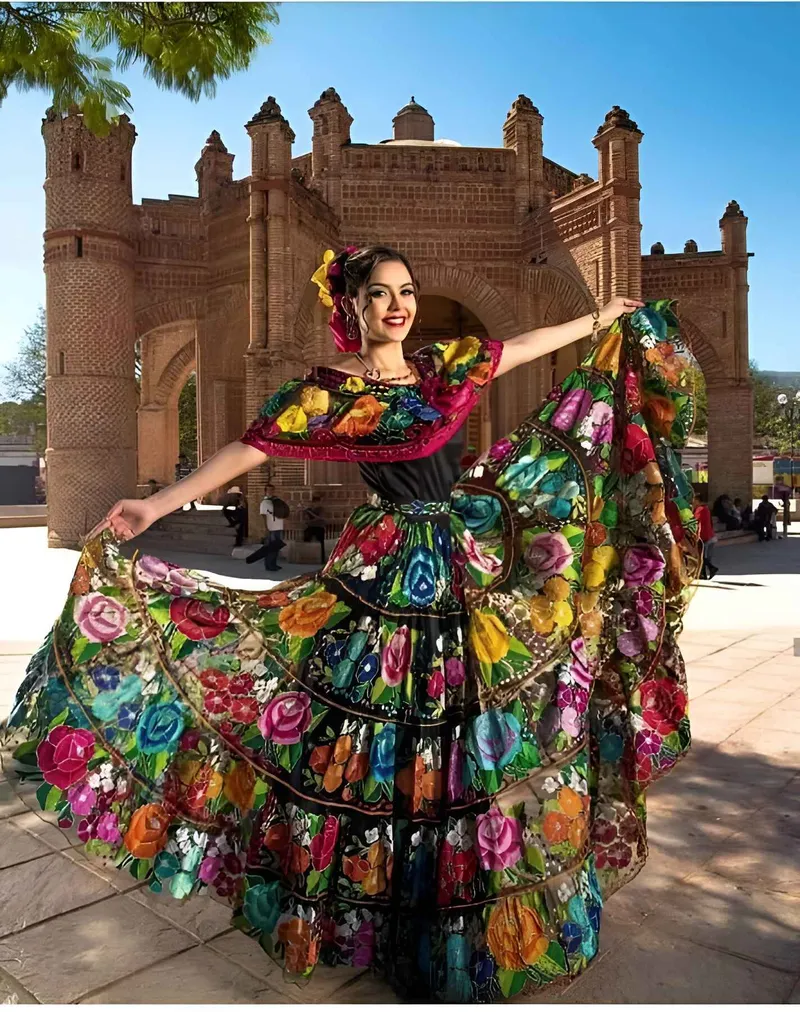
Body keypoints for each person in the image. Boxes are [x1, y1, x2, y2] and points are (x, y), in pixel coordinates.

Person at [4, 247, 700, 1003]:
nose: (397, 306)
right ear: (355, 306)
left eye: (406, 292)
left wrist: (603, 318)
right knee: (367, 729)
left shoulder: (442, 370)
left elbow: (527, 345)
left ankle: (450, 911)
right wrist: (156, 506)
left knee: (461, 733)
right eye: (380, 294)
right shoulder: (332, 391)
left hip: (460, 567)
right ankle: (373, 906)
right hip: (384, 572)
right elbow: (250, 448)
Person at [245, 484, 286, 572]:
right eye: (268, 490)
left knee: (276, 547)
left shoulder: (276, 500)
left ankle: (274, 564)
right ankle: (269, 565)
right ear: (265, 491)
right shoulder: (265, 502)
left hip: (278, 526)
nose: (270, 491)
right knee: (270, 547)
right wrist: (266, 527)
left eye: (272, 490)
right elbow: (263, 515)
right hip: (271, 527)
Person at [693, 493, 718, 579]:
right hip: (709, 534)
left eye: (694, 500)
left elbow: (695, 521)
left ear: (698, 500)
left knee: (701, 556)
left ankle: (711, 568)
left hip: (703, 535)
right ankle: (703, 574)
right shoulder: (706, 509)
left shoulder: (700, 509)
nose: (693, 502)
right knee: (702, 556)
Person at [303, 493, 327, 565]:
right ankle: (306, 557)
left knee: (321, 543)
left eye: (317, 502)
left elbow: (319, 518)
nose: (316, 504)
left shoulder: (321, 509)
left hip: (319, 527)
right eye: (314, 502)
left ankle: (322, 559)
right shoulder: (310, 509)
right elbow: (305, 518)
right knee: (306, 539)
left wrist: (310, 513)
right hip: (311, 527)